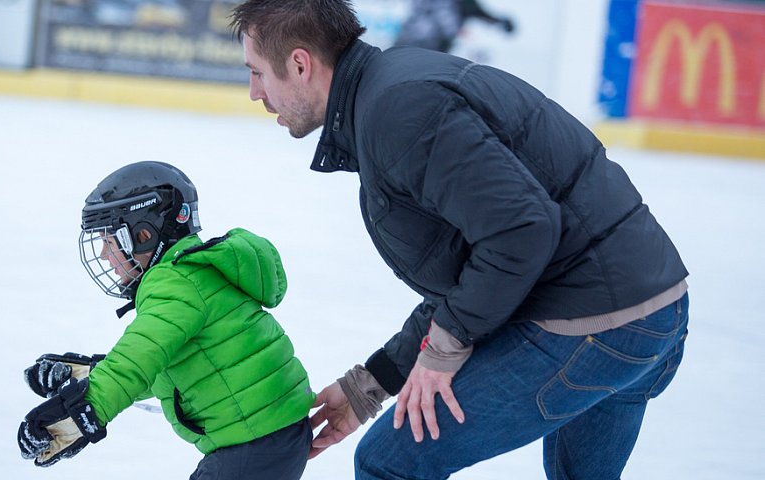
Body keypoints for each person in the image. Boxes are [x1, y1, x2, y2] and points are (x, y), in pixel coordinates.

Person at [230, 1, 689, 478]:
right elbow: (476, 271)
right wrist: (371, 384)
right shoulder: (389, 92)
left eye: (258, 73)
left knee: (391, 463)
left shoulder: (398, 111)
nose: (253, 92)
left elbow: (521, 231)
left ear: (300, 64)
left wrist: (444, 349)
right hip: (651, 309)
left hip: (596, 320)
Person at [16, 161, 315, 479]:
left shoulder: (173, 283)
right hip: (276, 435)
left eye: (107, 241)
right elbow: (158, 362)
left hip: (252, 444)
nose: (104, 255)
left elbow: (139, 359)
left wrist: (78, 414)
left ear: (142, 235)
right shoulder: (195, 274)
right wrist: (84, 376)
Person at [394, 0, 515, 53]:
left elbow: (479, 12)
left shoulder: (466, 2)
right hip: (422, 42)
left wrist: (498, 21)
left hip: (423, 44)